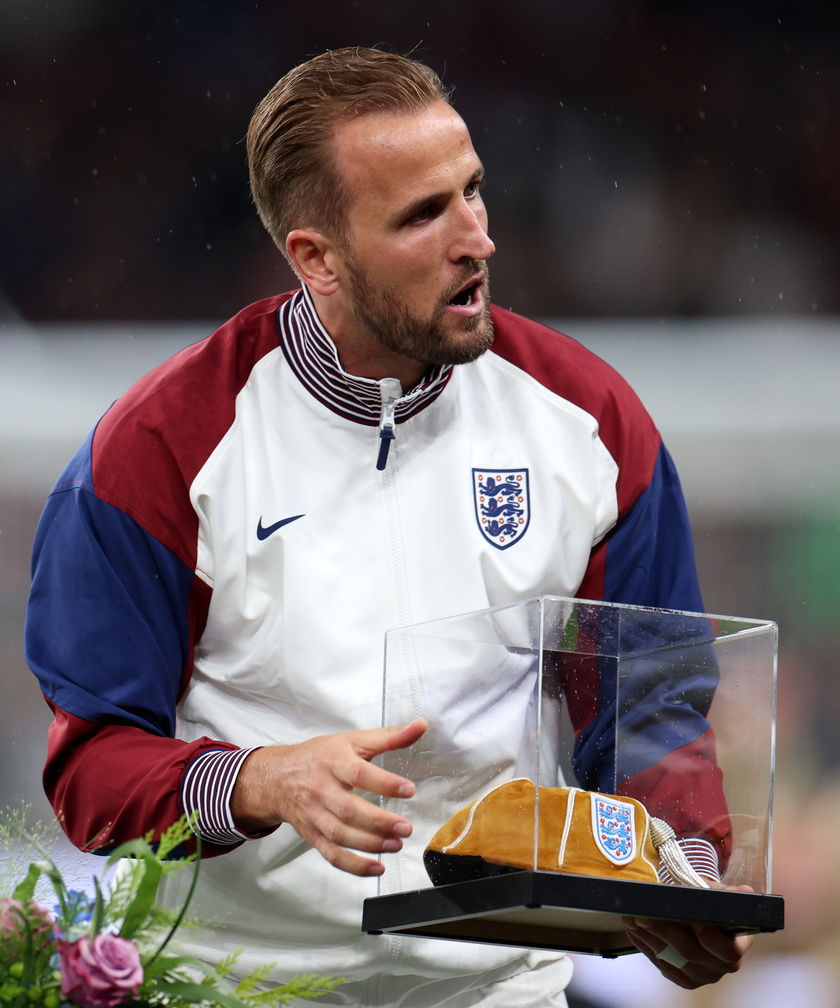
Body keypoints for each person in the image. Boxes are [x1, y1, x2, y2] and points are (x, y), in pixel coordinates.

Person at [25, 47, 753, 1007]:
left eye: (473, 191)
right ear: (316, 258)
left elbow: (649, 709)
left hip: (501, 990)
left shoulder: (591, 423)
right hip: (231, 986)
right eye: (423, 214)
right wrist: (258, 781)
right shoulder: (159, 450)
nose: (476, 239)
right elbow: (93, 767)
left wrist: (683, 873)